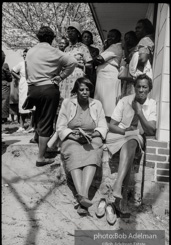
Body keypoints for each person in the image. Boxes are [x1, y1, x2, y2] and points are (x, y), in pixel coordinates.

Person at [96, 74, 157, 225]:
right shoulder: (124, 101)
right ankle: (120, 199)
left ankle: (117, 188)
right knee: (130, 141)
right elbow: (111, 124)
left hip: (135, 138)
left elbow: (151, 130)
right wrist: (124, 131)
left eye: (145, 87)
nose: (141, 90)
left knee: (132, 141)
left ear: (149, 89)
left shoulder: (152, 103)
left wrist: (139, 112)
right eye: (139, 86)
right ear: (134, 87)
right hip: (120, 134)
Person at [25, 26, 77, 167]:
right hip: (48, 88)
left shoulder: (30, 51)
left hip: (33, 88)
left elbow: (26, 71)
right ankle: (41, 157)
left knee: (38, 116)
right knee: (47, 121)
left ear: (38, 37)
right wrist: (61, 77)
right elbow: (73, 62)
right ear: (52, 38)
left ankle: (37, 139)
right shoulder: (55, 51)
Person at [56, 77, 108, 215]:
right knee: (73, 153)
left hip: (92, 138)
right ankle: (84, 198)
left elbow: (103, 126)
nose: (85, 92)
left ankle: (81, 198)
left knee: (93, 154)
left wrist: (94, 135)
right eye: (82, 89)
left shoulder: (97, 104)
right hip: (72, 138)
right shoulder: (68, 103)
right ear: (76, 91)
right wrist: (74, 137)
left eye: (87, 89)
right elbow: (60, 127)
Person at [94, 29, 123, 123]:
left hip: (108, 78)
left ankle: (107, 127)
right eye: (108, 36)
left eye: (112, 36)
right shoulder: (110, 47)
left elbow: (100, 59)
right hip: (105, 78)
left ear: (118, 38)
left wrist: (90, 62)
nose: (109, 38)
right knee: (102, 105)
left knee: (107, 106)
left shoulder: (116, 46)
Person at [60, 21, 93, 99]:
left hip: (77, 79)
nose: (70, 32)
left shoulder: (83, 48)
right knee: (66, 102)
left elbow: (90, 66)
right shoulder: (66, 49)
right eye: (68, 30)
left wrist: (78, 65)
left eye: (73, 30)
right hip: (66, 79)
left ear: (78, 34)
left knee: (76, 101)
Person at [11, 49, 31, 132]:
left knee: (32, 105)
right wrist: (20, 78)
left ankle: (32, 125)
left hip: (31, 83)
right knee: (22, 103)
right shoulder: (21, 64)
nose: (24, 56)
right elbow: (13, 71)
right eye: (23, 55)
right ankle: (21, 126)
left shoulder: (33, 64)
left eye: (26, 55)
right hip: (23, 84)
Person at [120, 31, 139, 97]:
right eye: (126, 39)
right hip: (128, 77)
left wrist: (125, 46)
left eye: (129, 38)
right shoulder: (129, 49)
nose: (128, 40)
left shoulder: (137, 49)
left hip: (134, 75)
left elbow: (128, 59)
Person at [82, 30, 99, 96]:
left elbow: (93, 62)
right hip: (80, 73)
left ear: (91, 39)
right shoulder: (77, 49)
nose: (86, 38)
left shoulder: (95, 50)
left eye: (88, 37)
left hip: (91, 74)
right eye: (85, 37)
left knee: (90, 93)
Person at [2, 50, 13, 123]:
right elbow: (10, 78)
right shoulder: (4, 66)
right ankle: (3, 118)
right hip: (4, 85)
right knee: (4, 102)